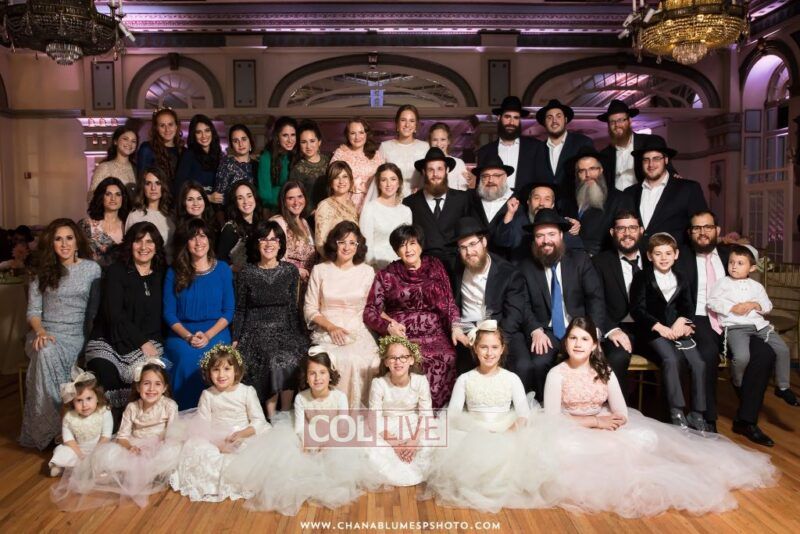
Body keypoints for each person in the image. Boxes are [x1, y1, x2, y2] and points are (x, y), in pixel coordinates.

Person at [540, 317, 776, 517]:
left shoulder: (604, 371)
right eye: (573, 338)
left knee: (644, 439)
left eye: (584, 339)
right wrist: (595, 422)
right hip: (569, 427)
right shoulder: (556, 374)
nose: (578, 344)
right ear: (565, 342)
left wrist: (607, 423)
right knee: (567, 450)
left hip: (602, 423)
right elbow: (552, 418)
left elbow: (621, 412)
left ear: (594, 345)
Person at [225, 351, 380, 515]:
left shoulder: (339, 397)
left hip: (335, 436)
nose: (317, 378)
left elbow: (342, 426)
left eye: (322, 373)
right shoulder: (301, 398)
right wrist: (309, 441)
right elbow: (299, 427)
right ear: (306, 377)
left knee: (338, 464)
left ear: (330, 375)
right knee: (291, 461)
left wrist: (327, 441)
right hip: (309, 433)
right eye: (312, 373)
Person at [422, 321, 552, 513]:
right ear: (475, 348)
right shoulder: (465, 379)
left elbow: (524, 414)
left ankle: (502, 484)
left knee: (515, 454)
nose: (489, 353)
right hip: (474, 430)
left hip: (507, 429)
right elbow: (454, 415)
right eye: (484, 347)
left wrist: (509, 431)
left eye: (494, 347)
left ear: (502, 349)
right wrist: (477, 432)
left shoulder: (511, 378)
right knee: (473, 457)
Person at [674, 210, 777, 442]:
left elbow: (750, 280)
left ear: (717, 230)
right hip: (699, 316)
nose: (702, 232)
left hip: (735, 319)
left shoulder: (729, 254)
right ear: (690, 232)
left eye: (708, 227)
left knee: (765, 354)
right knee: (708, 354)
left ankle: (746, 420)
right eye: (697, 228)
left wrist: (754, 307)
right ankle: (708, 418)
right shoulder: (681, 257)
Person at [516, 208, 621, 402]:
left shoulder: (580, 261)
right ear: (534, 240)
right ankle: (546, 407)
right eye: (540, 236)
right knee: (539, 362)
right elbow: (523, 304)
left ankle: (589, 402)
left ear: (561, 235)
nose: (546, 240)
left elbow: (595, 298)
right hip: (547, 331)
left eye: (551, 234)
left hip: (579, 329)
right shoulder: (525, 267)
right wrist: (535, 330)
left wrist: (594, 334)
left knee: (605, 358)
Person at [363, 224, 468, 409]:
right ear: (396, 250)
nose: (408, 249)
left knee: (448, 355)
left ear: (420, 245)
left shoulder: (435, 267)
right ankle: (412, 411)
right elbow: (370, 311)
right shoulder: (387, 275)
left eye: (412, 243)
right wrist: (388, 327)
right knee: (413, 359)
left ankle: (437, 412)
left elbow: (449, 302)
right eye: (402, 245)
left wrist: (456, 326)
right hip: (404, 336)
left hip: (435, 333)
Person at [19, 219, 101, 450]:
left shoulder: (92, 269)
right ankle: (52, 431)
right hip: (45, 332)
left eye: (69, 238)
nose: (64, 244)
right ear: (51, 243)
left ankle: (65, 429)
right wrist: (41, 332)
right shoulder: (40, 270)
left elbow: (95, 311)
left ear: (77, 242)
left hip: (77, 335)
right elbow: (33, 311)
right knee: (45, 351)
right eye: (58, 239)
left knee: (49, 353)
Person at [64, 361, 180, 509]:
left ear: (164, 388)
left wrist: (158, 446)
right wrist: (130, 447)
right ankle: (129, 474)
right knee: (110, 455)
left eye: (157, 384)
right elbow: (122, 436)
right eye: (146, 383)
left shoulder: (169, 406)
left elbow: (172, 433)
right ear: (138, 387)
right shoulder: (132, 407)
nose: (151, 389)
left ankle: (149, 473)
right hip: (136, 442)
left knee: (171, 451)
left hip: (160, 442)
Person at [629, 233, 710, 431]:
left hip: (678, 331)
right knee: (671, 359)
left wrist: (683, 322)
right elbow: (637, 310)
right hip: (653, 332)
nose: (663, 258)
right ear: (650, 256)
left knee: (698, 363)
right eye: (658, 254)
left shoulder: (682, 277)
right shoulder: (641, 277)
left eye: (668, 253)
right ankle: (676, 411)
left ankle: (697, 413)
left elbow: (688, 307)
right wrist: (660, 327)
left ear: (676, 255)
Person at [84, 222, 167, 415]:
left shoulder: (162, 274)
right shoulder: (116, 271)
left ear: (156, 246)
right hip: (110, 339)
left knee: (145, 376)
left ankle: (141, 424)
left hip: (149, 339)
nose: (144, 247)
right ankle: (113, 427)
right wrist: (142, 342)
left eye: (149, 242)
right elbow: (114, 314)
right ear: (130, 244)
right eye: (138, 241)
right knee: (105, 371)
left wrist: (148, 343)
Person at [169, 344, 270, 502]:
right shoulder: (208, 395)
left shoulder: (246, 391)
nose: (221, 375)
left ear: (236, 370)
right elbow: (202, 424)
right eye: (216, 370)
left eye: (227, 369)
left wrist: (242, 434)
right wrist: (217, 443)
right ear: (209, 373)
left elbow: (259, 421)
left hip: (244, 435)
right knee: (200, 454)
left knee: (252, 457)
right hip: (216, 439)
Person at [232, 221, 309, 415]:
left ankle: (286, 412)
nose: (269, 244)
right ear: (256, 243)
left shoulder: (290, 271)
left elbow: (292, 309)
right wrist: (236, 338)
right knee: (269, 358)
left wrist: (299, 336)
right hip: (254, 330)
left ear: (280, 243)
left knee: (291, 356)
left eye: (274, 239)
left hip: (284, 329)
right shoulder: (246, 273)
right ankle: (270, 416)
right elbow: (240, 309)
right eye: (264, 239)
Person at [708, 244, 797, 405]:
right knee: (742, 357)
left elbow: (768, 306)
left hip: (759, 326)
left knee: (783, 349)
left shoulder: (757, 286)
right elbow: (712, 302)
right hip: (735, 327)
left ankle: (783, 387)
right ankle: (737, 382)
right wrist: (732, 307)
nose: (734, 266)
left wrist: (756, 305)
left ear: (752, 268)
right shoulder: (722, 283)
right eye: (731, 262)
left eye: (740, 263)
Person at [304, 221, 380, 408]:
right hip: (327, 330)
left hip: (357, 330)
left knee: (367, 361)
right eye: (342, 242)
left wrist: (391, 322)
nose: (347, 247)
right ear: (334, 243)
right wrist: (331, 327)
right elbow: (310, 308)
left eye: (352, 243)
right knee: (339, 360)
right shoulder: (320, 270)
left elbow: (374, 308)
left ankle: (360, 412)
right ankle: (333, 411)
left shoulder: (367, 272)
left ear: (358, 246)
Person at [164, 218, 234, 409]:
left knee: (216, 361)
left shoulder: (222, 269)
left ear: (209, 240)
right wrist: (188, 337)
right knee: (187, 360)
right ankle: (185, 414)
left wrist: (208, 335)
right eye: (193, 237)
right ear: (186, 242)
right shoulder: (174, 271)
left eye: (203, 236)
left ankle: (217, 413)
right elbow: (169, 313)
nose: (198, 242)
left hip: (216, 331)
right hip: (182, 333)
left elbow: (228, 311)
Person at [451, 217, 531, 378]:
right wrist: (455, 325)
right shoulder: (453, 267)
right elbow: (448, 303)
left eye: (473, 244)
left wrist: (494, 341)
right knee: (462, 371)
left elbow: (514, 315)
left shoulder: (508, 273)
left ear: (484, 242)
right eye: (463, 247)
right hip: (467, 330)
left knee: (523, 366)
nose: (469, 252)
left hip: (500, 328)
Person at [366, 336, 434, 486]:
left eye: (403, 357)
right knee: (373, 450)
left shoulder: (420, 381)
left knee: (430, 445)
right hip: (386, 427)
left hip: (413, 424)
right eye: (393, 358)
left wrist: (414, 441)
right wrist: (396, 444)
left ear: (411, 360)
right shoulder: (379, 384)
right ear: (386, 362)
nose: (398, 362)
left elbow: (426, 414)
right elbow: (374, 419)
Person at [592, 209, 646, 396]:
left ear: (641, 230)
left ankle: (675, 410)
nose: (627, 233)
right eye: (621, 229)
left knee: (673, 356)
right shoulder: (599, 262)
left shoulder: (654, 257)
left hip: (649, 327)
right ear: (612, 232)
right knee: (617, 357)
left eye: (632, 228)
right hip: (617, 327)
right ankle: (618, 408)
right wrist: (611, 329)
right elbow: (595, 301)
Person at [624, 137, 707, 251]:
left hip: (677, 258)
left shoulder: (688, 189)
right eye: (646, 159)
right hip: (639, 258)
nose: (651, 164)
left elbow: (701, 226)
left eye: (656, 158)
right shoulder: (629, 193)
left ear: (666, 160)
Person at [402, 147, 474, 274]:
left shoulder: (463, 199)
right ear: (424, 172)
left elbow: (470, 235)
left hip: (457, 268)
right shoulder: (410, 202)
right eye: (431, 170)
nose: (435, 174)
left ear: (447, 170)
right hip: (422, 269)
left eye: (440, 169)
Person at [597, 99, 676, 192]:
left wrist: (674, 176)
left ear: (629, 121)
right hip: (617, 199)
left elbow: (665, 167)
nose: (617, 125)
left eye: (621, 120)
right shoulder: (605, 154)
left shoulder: (648, 142)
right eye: (612, 122)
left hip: (642, 197)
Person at [568, 146, 633, 256]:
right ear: (577, 174)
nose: (588, 175)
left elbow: (623, 238)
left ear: (601, 170)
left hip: (602, 261)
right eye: (582, 171)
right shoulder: (569, 200)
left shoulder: (620, 200)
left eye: (592, 169)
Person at [47, 369, 112, 477]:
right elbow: (68, 440)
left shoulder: (104, 411)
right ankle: (59, 466)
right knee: (61, 450)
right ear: (72, 402)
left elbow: (106, 436)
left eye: (89, 398)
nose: (84, 405)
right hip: (78, 448)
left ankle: (98, 469)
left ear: (97, 397)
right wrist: (80, 455)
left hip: (99, 446)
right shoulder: (69, 417)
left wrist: (94, 454)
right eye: (79, 400)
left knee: (109, 452)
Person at [495, 181, 582, 260]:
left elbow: (578, 254)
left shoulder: (564, 225)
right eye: (537, 198)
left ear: (552, 205)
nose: (541, 203)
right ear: (528, 202)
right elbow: (502, 241)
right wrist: (510, 213)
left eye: (547, 199)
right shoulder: (516, 223)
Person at [532, 99, 594, 204]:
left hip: (575, 207)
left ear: (565, 119)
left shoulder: (582, 143)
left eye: (558, 116)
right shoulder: (537, 149)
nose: (554, 121)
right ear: (545, 122)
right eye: (549, 117)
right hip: (546, 210)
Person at [475, 96, 539, 192]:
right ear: (499, 118)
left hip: (525, 200)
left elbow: (541, 181)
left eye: (516, 118)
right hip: (494, 200)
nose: (511, 122)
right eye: (507, 117)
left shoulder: (535, 147)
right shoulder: (485, 151)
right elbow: (480, 186)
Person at [359, 163, 413, 269]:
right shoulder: (370, 208)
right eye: (384, 180)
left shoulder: (406, 211)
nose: (388, 184)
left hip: (401, 266)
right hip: (377, 266)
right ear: (378, 184)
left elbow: (408, 243)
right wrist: (374, 268)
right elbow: (365, 244)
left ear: (399, 183)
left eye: (393, 179)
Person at [270, 180, 316, 293]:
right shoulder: (278, 222)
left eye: (300, 196)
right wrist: (295, 270)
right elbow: (273, 257)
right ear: (284, 201)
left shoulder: (304, 222)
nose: (296, 202)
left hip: (307, 285)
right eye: (291, 198)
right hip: (288, 285)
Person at [331, 117, 385, 212]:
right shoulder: (340, 153)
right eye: (353, 133)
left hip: (371, 205)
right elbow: (332, 179)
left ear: (366, 134)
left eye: (361, 132)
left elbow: (383, 179)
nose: (357, 137)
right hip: (346, 206)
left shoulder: (377, 155)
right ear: (347, 135)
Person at [378, 105, 430, 196]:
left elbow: (429, 176)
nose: (407, 124)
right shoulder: (385, 147)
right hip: (391, 198)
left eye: (411, 121)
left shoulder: (425, 147)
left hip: (418, 198)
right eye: (403, 120)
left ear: (416, 125)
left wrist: (422, 189)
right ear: (397, 124)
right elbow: (379, 178)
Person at [469, 154, 516, 256]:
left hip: (507, 262)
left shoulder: (518, 200)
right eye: (485, 176)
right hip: (476, 259)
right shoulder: (470, 199)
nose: (490, 180)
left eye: (496, 176)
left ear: (505, 177)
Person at [125, 167, 175, 261]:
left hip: (170, 265)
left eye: (158, 183)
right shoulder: (135, 216)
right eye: (148, 183)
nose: (153, 188)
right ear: (143, 187)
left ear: (163, 186)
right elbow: (128, 248)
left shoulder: (171, 215)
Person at [80, 176, 131, 268]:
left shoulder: (129, 226)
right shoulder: (86, 225)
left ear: (123, 198)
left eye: (118, 194)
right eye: (108, 194)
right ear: (101, 197)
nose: (113, 198)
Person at [216, 180, 265, 270]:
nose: (246, 201)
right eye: (240, 198)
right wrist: (237, 269)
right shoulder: (231, 228)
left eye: (249, 196)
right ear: (235, 202)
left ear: (255, 197)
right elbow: (221, 261)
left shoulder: (262, 223)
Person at [313, 161, 359, 253]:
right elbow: (320, 244)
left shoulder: (352, 205)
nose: (341, 181)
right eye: (336, 177)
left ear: (350, 180)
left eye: (345, 176)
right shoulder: (325, 205)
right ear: (330, 182)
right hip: (333, 259)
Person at [174, 114, 222, 198]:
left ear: (212, 132)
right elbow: (179, 187)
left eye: (207, 130)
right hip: (195, 204)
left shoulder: (218, 155)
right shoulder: (188, 155)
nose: (204, 136)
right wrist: (208, 197)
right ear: (193, 135)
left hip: (216, 205)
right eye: (198, 132)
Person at [88, 124, 138, 200]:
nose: (129, 144)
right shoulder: (104, 167)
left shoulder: (137, 169)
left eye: (133, 141)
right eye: (125, 139)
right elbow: (91, 197)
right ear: (115, 141)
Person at [258, 116, 297, 212]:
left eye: (293, 135)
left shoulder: (295, 156)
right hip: (275, 209)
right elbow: (265, 195)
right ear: (277, 137)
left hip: (296, 207)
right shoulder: (266, 158)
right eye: (285, 135)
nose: (290, 140)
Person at [289, 119, 331, 210]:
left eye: (312, 141)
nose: (308, 146)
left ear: (319, 142)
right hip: (308, 214)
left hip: (331, 212)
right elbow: (295, 199)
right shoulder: (297, 169)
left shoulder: (330, 161)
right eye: (303, 142)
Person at [213, 124, 258, 205]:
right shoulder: (226, 165)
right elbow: (219, 198)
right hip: (231, 210)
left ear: (250, 141)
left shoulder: (257, 166)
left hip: (254, 210)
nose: (240, 144)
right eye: (235, 141)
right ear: (232, 145)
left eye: (244, 139)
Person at [138, 107, 183, 183]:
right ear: (156, 128)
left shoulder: (183, 151)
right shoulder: (147, 149)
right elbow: (142, 181)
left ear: (176, 126)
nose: (167, 129)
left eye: (170, 124)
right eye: (162, 125)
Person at [428, 121, 472, 191]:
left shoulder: (458, 163)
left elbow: (462, 192)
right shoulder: (425, 164)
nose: (438, 144)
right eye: (435, 140)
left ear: (448, 141)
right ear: (430, 142)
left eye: (443, 139)